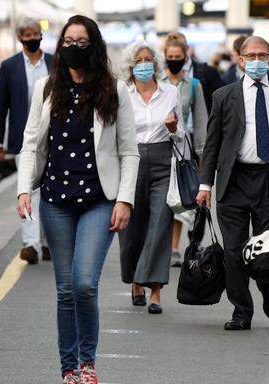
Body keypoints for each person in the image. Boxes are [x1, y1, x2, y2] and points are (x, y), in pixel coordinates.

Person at [16, 15, 140, 384]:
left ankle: (88, 363)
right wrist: (25, 189)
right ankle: (69, 369)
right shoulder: (45, 89)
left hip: (100, 200)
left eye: (81, 41)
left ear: (95, 45)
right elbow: (29, 144)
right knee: (65, 289)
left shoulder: (114, 90)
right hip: (56, 201)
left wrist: (125, 200)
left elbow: (129, 151)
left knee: (84, 283)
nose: (73, 48)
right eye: (67, 41)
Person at [197, 36, 269, 330]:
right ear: (241, 60)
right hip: (233, 180)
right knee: (234, 251)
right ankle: (241, 311)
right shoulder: (223, 96)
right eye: (251, 55)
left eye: (263, 55)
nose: (257, 60)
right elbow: (212, 144)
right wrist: (205, 185)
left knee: (265, 249)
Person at [118, 41, 185, 315]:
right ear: (131, 65)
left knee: (160, 223)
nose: (144, 64)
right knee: (131, 227)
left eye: (148, 60)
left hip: (162, 161)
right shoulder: (122, 93)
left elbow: (181, 136)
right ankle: (136, 280)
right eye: (139, 60)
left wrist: (173, 129)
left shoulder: (170, 92)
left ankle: (155, 289)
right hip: (131, 161)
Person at [0, 18, 53, 264]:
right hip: (22, 139)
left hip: (52, 137)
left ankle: (48, 242)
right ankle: (31, 244)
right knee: (27, 191)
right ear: (20, 38)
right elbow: (1, 106)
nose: (32, 37)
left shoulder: (54, 63)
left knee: (51, 191)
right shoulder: (9, 67)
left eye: (35, 33)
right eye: (27, 34)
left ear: (41, 36)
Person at [161, 34, 208, 267]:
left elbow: (201, 122)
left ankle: (174, 247)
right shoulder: (157, 81)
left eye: (177, 57)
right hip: (159, 144)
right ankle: (161, 244)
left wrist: (202, 156)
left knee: (180, 197)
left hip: (183, 145)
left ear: (185, 57)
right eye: (169, 57)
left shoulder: (193, 85)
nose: (173, 60)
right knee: (160, 197)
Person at [166, 31, 224, 115]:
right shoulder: (159, 76)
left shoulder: (207, 72)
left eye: (179, 46)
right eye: (172, 46)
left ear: (187, 48)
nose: (176, 50)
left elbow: (220, 102)